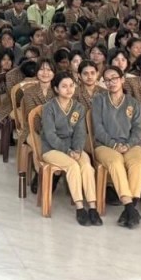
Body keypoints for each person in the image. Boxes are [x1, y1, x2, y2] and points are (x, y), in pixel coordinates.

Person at [40, 72, 101, 226]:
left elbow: (81, 132)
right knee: (73, 166)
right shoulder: (49, 107)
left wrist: (78, 150)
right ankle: (80, 208)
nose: (69, 89)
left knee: (87, 166)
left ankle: (93, 208)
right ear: (56, 88)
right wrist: (68, 151)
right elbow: (50, 135)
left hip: (74, 148)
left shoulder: (78, 107)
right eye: (64, 86)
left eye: (71, 86)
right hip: (52, 149)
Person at [92, 66, 141, 229]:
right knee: (116, 162)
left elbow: (138, 129)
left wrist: (128, 144)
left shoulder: (132, 102)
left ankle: (129, 209)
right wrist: (114, 145)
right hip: (105, 145)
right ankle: (131, 208)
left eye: (114, 78)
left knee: (138, 163)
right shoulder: (99, 100)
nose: (111, 82)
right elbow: (98, 127)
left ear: (122, 79)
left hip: (131, 144)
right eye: (107, 80)